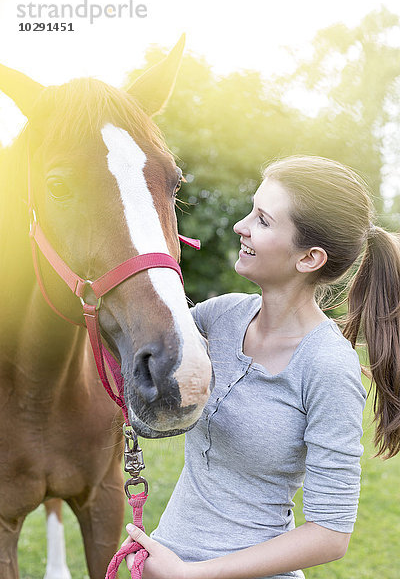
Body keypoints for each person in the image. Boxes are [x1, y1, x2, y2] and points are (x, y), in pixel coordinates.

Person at [122, 155, 400, 579]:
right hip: (167, 557)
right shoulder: (223, 317)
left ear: (309, 259)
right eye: (251, 210)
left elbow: (331, 533)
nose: (241, 226)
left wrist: (193, 574)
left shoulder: (327, 365)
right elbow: (132, 344)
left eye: (263, 220)